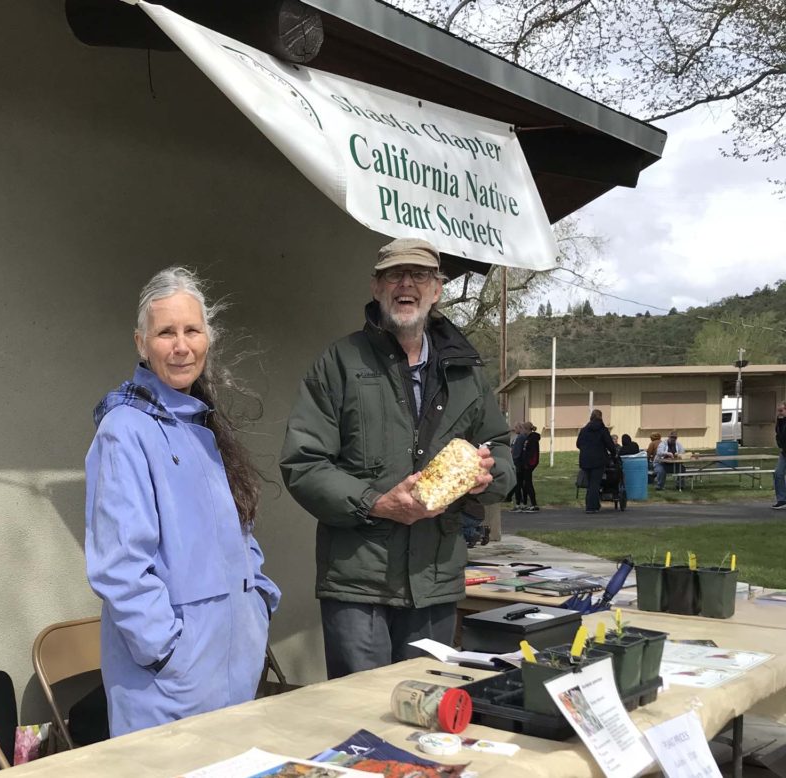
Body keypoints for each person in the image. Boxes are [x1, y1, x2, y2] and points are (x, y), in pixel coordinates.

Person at [280, 237, 514, 679]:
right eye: (394, 275)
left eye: (420, 275)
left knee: (424, 708)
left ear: (438, 289)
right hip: (358, 584)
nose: (406, 284)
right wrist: (375, 502)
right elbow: (303, 462)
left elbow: (500, 448)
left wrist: (488, 475)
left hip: (435, 579)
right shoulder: (339, 363)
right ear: (376, 287)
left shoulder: (465, 373)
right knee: (359, 716)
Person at [84, 266, 281, 736]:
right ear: (140, 343)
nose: (181, 346)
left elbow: (240, 531)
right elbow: (120, 567)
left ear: (207, 339)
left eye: (192, 330)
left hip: (234, 672)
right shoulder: (124, 430)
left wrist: (259, 606)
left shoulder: (204, 426)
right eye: (165, 332)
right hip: (168, 687)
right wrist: (168, 652)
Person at [576, 409, 617, 514]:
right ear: (601, 417)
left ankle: (592, 504)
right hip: (598, 459)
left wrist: (586, 450)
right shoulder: (603, 430)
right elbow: (609, 444)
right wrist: (613, 453)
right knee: (595, 483)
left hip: (585, 459)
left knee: (590, 483)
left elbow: (578, 444)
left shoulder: (584, 429)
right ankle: (591, 506)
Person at [521, 424, 541, 512]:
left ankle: (534, 504)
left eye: (523, 429)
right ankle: (527, 503)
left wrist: (528, 463)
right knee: (526, 483)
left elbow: (532, 453)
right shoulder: (528, 438)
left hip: (529, 464)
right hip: (527, 464)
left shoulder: (532, 439)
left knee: (528, 483)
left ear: (526, 429)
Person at [509, 422, 529, 511]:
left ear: (520, 428)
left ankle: (518, 503)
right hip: (521, 463)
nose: (514, 429)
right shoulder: (522, 437)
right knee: (521, 484)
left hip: (517, 463)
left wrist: (513, 460)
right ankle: (523, 502)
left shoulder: (520, 438)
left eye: (516, 428)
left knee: (517, 484)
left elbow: (516, 452)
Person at [773, 401, 786, 509]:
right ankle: (782, 500)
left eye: (781, 410)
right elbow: (778, 435)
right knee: (778, 473)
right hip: (784, 452)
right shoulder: (780, 422)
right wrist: (780, 446)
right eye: (778, 411)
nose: (779, 413)